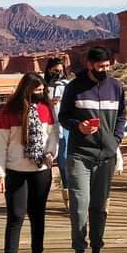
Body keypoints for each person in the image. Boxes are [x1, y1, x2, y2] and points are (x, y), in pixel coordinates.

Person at [58, 46, 127, 253]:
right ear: (89, 64)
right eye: (100, 67)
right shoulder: (74, 88)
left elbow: (122, 117)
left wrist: (116, 139)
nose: (104, 70)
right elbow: (63, 117)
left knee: (99, 208)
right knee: (79, 207)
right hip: (79, 155)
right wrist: (78, 126)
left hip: (106, 156)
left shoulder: (116, 87)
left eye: (107, 66)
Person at [0, 72, 59, 253]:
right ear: (26, 90)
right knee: (16, 217)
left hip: (40, 171)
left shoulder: (47, 110)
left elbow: (53, 136)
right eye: (36, 90)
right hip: (15, 172)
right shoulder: (9, 112)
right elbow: (0, 145)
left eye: (42, 90)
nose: (40, 94)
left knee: (38, 216)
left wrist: (51, 152)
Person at [44, 57, 71, 204]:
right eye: (56, 70)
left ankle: (68, 198)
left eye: (61, 70)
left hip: (64, 128)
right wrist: (48, 102)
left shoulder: (67, 85)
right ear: (49, 70)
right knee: (45, 160)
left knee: (64, 162)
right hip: (47, 129)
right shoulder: (42, 86)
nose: (59, 73)